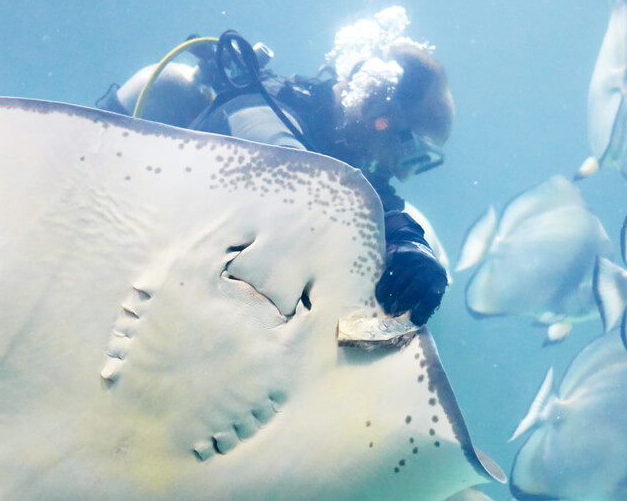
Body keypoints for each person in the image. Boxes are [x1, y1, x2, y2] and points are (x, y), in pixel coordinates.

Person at [97, 18, 455, 326]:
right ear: (381, 115)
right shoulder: (263, 108)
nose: (404, 173)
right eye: (413, 154)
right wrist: (394, 236)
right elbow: (298, 178)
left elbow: (377, 205)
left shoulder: (358, 172)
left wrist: (411, 246)